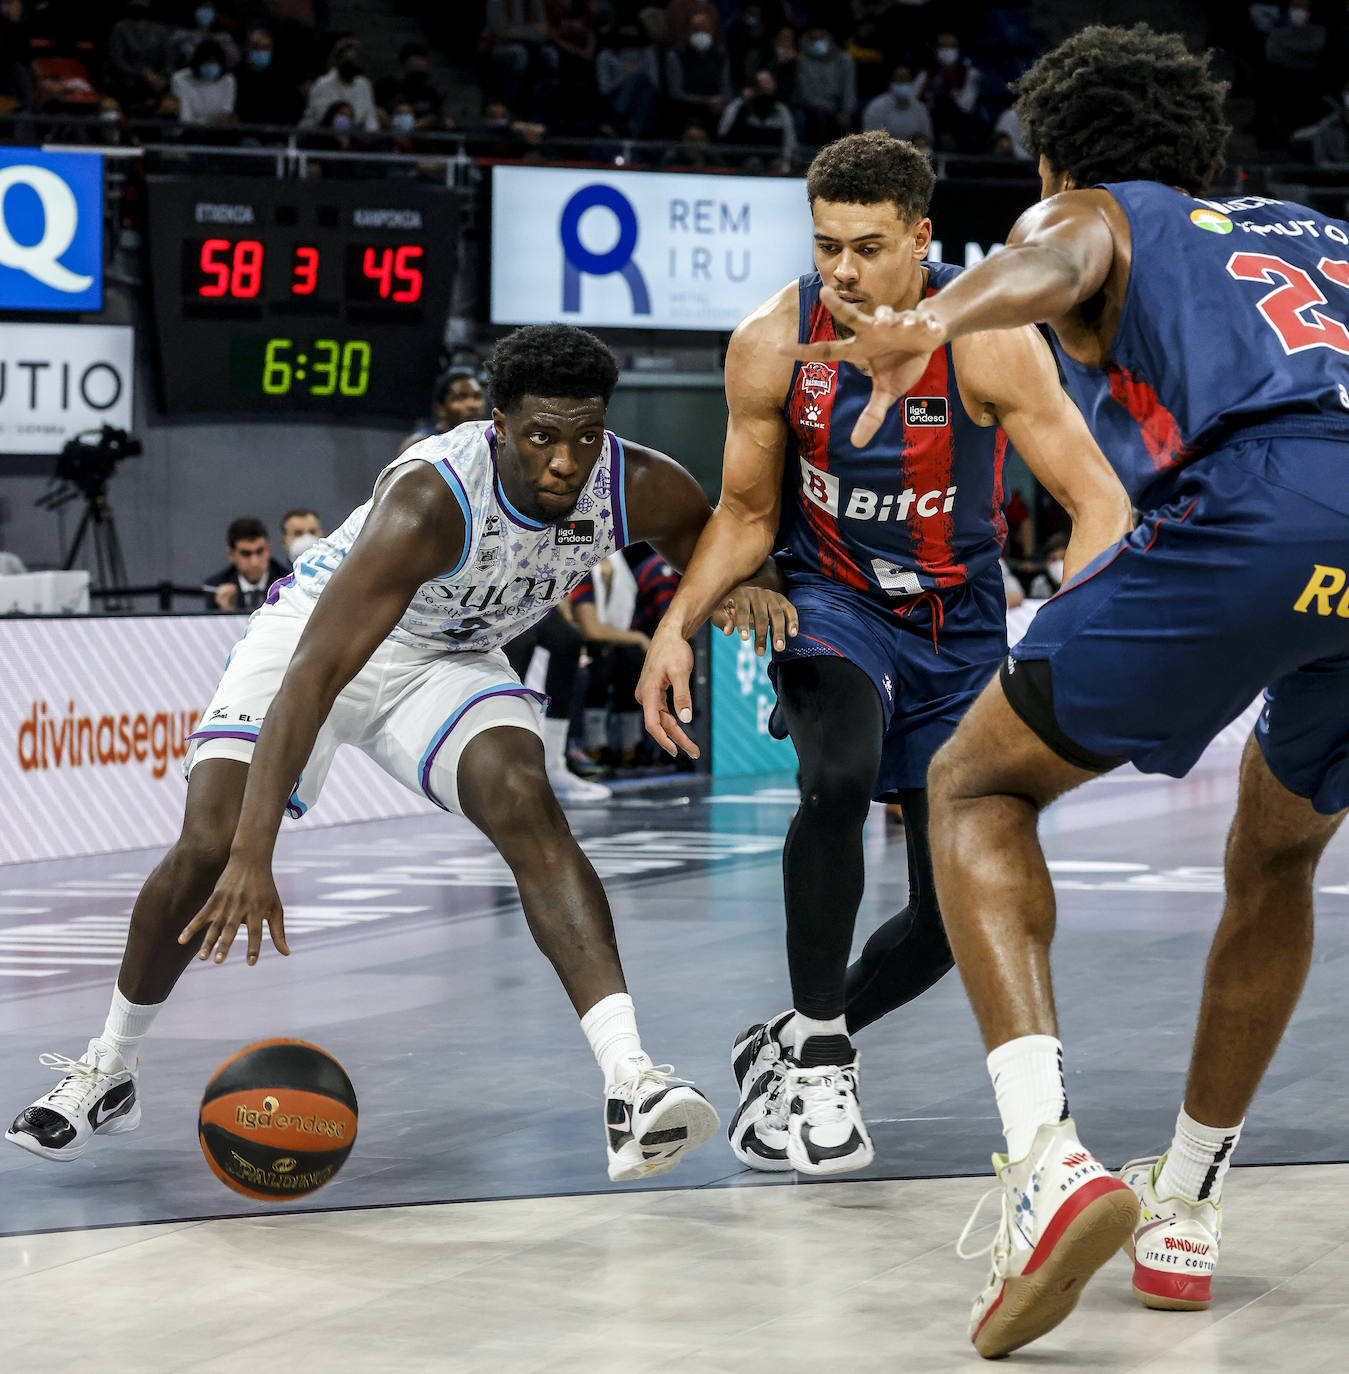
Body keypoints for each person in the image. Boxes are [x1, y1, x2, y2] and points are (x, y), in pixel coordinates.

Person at [784, 23, 1349, 1360]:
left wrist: (937, 312)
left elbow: (1061, 256)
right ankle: (1187, 1209)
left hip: (1261, 509)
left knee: (974, 781)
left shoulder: (1103, 207)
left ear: (1054, 150)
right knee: (1275, 853)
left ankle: (1047, 1162)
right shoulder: (1319, 236)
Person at [4, 325, 787, 1184]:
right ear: (498, 426)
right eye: (540, 436)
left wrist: (761, 623)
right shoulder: (433, 497)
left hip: (445, 660)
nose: (565, 460)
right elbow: (314, 676)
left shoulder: (637, 483)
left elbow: (722, 559)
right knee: (209, 845)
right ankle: (108, 1069)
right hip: (316, 643)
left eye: (584, 434)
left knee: (526, 800)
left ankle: (630, 1084)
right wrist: (255, 852)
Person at [636, 131, 1130, 1177]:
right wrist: (674, 627)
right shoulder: (772, 340)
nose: (844, 272)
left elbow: (1095, 503)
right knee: (834, 777)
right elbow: (740, 509)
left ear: (919, 238)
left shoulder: (990, 341)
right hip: (834, 602)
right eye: (826, 247)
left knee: (950, 916)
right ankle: (816, 1062)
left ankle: (804, 1032)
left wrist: (1065, 641)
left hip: (958, 629)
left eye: (866, 247)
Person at [204, 516, 288, 613]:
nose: (254, 562)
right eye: (246, 554)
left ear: (268, 549)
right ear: (231, 554)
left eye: (260, 551)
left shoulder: (289, 581)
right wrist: (226, 611)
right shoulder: (216, 585)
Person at [398, 367, 487, 455]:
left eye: (477, 397)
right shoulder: (420, 445)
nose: (472, 405)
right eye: (461, 398)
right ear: (441, 409)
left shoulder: (491, 444)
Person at [300, 34, 378, 132]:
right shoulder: (323, 84)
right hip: (318, 135)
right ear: (337, 61)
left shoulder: (364, 85)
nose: (351, 58)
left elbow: (371, 119)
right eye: (346, 59)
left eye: (353, 58)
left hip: (354, 138)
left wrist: (370, 137)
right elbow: (323, 118)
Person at [170, 38, 236, 124]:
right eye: (206, 62)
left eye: (214, 62)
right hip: (189, 130)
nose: (210, 65)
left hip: (217, 131)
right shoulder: (180, 78)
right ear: (198, 62)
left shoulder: (228, 80)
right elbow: (185, 116)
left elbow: (226, 113)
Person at [862, 66, 933, 144]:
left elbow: (927, 137)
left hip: (914, 152)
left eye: (906, 79)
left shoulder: (920, 108)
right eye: (899, 79)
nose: (903, 83)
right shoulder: (876, 107)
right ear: (891, 83)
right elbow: (871, 140)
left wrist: (920, 141)